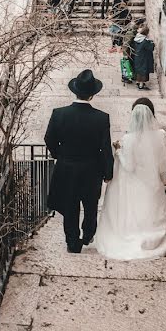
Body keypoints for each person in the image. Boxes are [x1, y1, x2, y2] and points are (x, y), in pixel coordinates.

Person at [45, 70, 114, 253]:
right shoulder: (101, 118)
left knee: (70, 206)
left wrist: (60, 154)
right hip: (92, 170)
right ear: (92, 95)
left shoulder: (59, 114)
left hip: (66, 169)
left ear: (75, 91)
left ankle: (72, 242)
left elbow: (49, 139)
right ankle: (88, 233)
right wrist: (108, 171)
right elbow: (105, 147)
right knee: (90, 205)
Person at [93, 98, 166, 260]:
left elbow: (129, 167)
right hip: (152, 184)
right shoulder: (161, 136)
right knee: (150, 213)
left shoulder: (129, 139)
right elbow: (162, 163)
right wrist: (164, 179)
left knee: (135, 213)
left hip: (135, 184)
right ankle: (151, 240)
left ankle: (134, 238)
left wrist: (119, 150)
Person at [133, 25, 156, 90]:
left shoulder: (137, 38)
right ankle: (141, 85)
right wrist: (152, 43)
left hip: (138, 56)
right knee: (143, 71)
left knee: (138, 69)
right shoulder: (145, 41)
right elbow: (150, 48)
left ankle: (137, 82)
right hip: (144, 57)